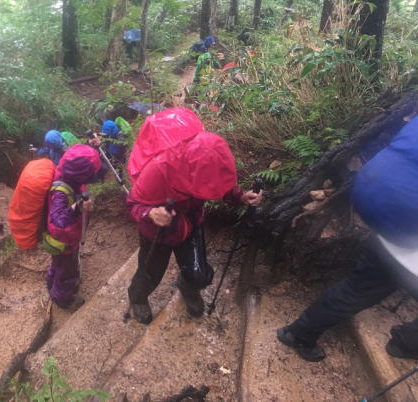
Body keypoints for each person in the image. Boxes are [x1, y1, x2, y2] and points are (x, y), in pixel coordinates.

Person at [277, 116, 418, 362]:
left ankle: (297, 333)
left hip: (376, 191)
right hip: (408, 218)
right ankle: (404, 344)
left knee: (362, 286)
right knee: (371, 282)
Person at [127, 131, 263, 324]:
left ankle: (188, 286)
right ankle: (137, 298)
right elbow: (132, 204)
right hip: (156, 231)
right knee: (150, 272)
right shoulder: (158, 170)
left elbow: (217, 184)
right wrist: (150, 214)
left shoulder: (206, 162)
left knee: (200, 275)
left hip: (190, 224)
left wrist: (239, 196)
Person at [44, 144, 103, 311]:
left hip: (65, 239)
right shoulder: (61, 191)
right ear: (80, 175)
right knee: (67, 269)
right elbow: (57, 224)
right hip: (64, 242)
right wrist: (77, 207)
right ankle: (62, 298)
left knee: (58, 263)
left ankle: (51, 281)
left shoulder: (68, 179)